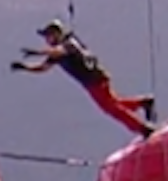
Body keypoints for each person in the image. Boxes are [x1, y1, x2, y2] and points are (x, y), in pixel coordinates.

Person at [10, 19, 158, 137]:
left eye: (48, 36)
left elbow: (58, 51)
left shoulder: (68, 44)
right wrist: (25, 67)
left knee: (112, 109)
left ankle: (143, 128)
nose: (46, 39)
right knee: (114, 103)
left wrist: (36, 52)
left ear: (56, 34)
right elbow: (43, 68)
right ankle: (144, 102)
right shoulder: (58, 52)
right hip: (94, 81)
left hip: (95, 81)